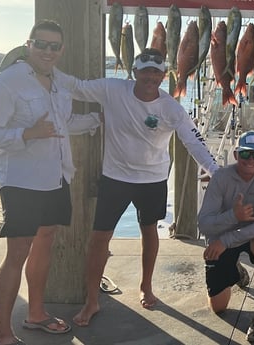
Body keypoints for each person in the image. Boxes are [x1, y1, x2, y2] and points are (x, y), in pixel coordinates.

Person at [65, 48, 219, 327]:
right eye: (145, 71)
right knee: (99, 237)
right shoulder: (112, 89)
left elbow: (194, 141)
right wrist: (41, 68)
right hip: (115, 177)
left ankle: (146, 286)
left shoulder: (171, 107)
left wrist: (217, 173)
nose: (150, 77)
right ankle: (91, 300)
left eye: (156, 72)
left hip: (153, 179)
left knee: (149, 231)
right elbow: (76, 88)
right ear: (134, 72)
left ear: (163, 75)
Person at [0, 20, 101, 345]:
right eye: (42, 44)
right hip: (21, 182)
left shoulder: (58, 82)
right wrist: (25, 134)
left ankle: (36, 314)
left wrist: (100, 119)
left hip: (56, 176)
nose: (48, 51)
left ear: (61, 49)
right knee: (17, 251)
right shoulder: (5, 84)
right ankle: (2, 335)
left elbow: (62, 123)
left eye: (54, 46)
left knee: (46, 239)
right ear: (29, 44)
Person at [198, 130, 254, 343]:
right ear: (235, 155)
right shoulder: (220, 178)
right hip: (221, 237)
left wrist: (226, 241)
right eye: (245, 154)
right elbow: (204, 224)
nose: (251, 160)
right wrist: (234, 215)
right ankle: (236, 271)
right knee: (218, 307)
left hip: (244, 237)